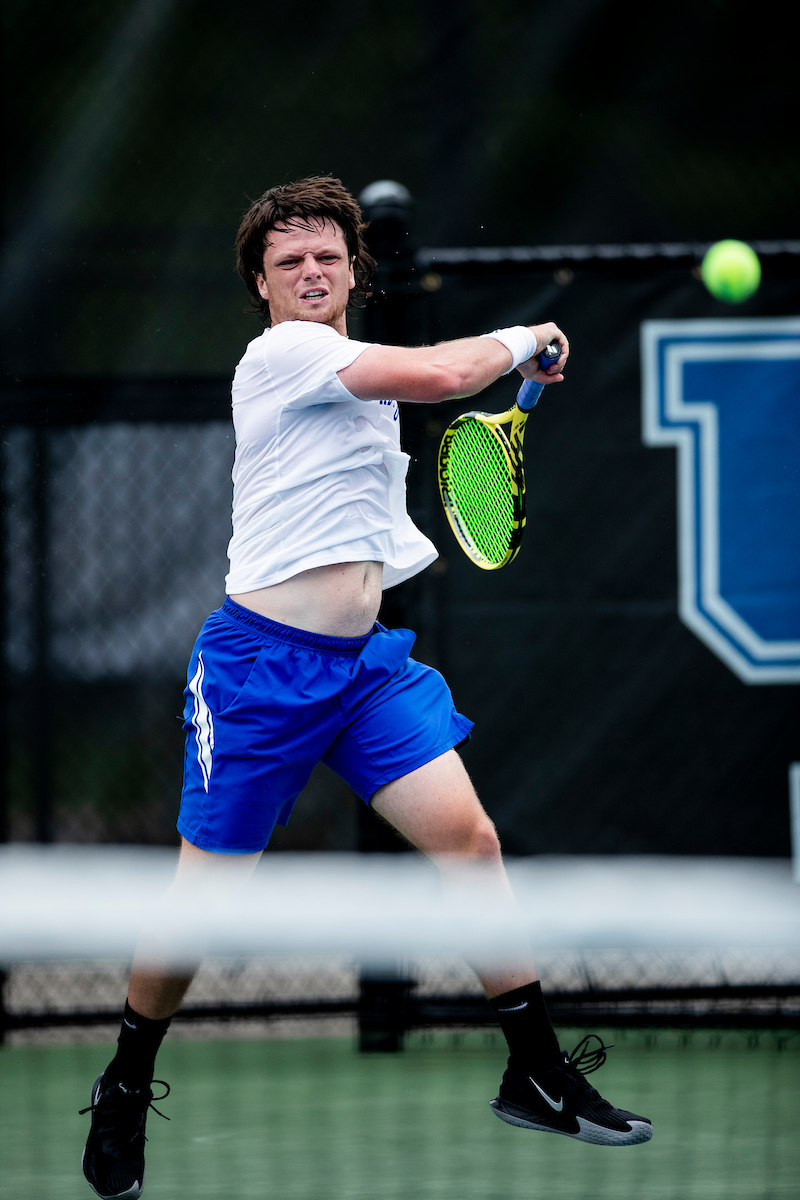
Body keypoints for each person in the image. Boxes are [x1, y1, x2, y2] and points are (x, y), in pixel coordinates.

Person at [81, 175, 652, 1199]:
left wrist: (506, 362)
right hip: (258, 674)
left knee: (469, 844)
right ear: (260, 285)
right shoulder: (283, 356)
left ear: (354, 270)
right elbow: (442, 373)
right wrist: (526, 335)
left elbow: (410, 394)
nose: (310, 272)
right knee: (200, 908)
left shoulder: (357, 377)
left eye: (327, 258)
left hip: (360, 670)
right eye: (288, 261)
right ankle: (126, 1081)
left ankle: (535, 1070)